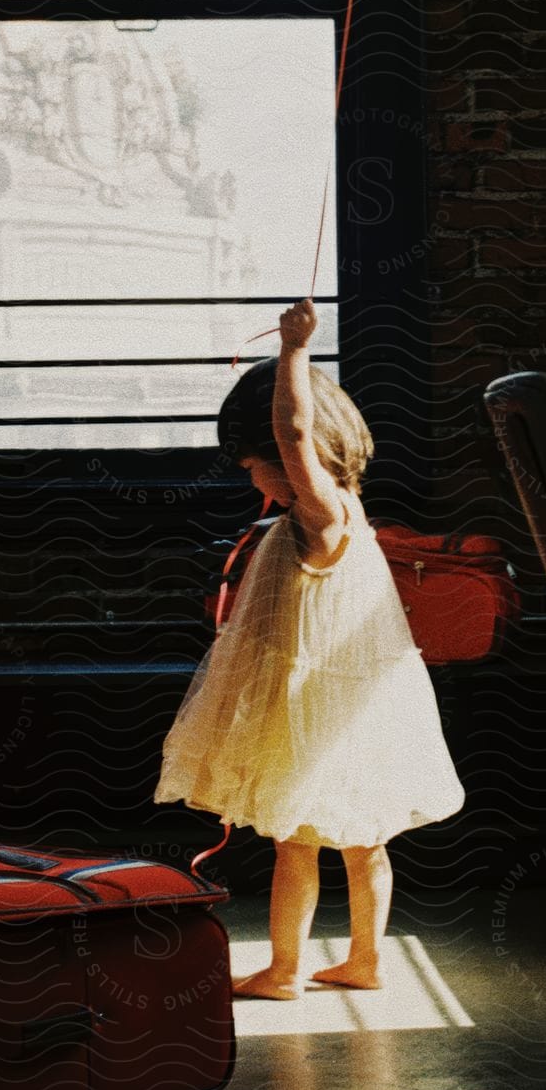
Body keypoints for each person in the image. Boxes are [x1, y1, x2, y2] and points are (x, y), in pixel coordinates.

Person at [154, 298, 466, 1000]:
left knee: (294, 842)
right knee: (364, 843)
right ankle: (364, 960)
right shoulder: (342, 513)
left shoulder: (320, 515)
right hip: (350, 709)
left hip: (314, 718)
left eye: (251, 466)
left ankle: (284, 969)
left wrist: (294, 351)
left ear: (291, 460)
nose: (252, 480)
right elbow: (292, 439)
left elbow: (293, 435)